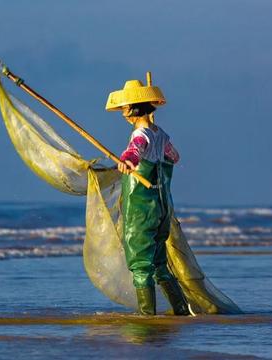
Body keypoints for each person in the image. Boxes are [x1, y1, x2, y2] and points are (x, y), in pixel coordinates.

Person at [105, 78, 190, 316]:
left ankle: (147, 318)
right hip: (162, 208)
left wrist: (129, 160)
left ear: (135, 108)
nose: (123, 114)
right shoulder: (160, 134)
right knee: (159, 263)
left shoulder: (140, 133)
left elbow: (136, 149)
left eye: (124, 108)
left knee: (141, 264)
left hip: (142, 209)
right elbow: (174, 157)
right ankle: (181, 310)